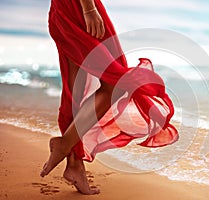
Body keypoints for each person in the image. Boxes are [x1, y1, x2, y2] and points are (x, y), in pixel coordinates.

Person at [40, 0, 179, 195]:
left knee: (76, 90)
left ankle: (75, 165)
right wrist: (89, 8)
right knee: (113, 83)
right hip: (78, 8)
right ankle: (65, 146)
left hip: (65, 8)